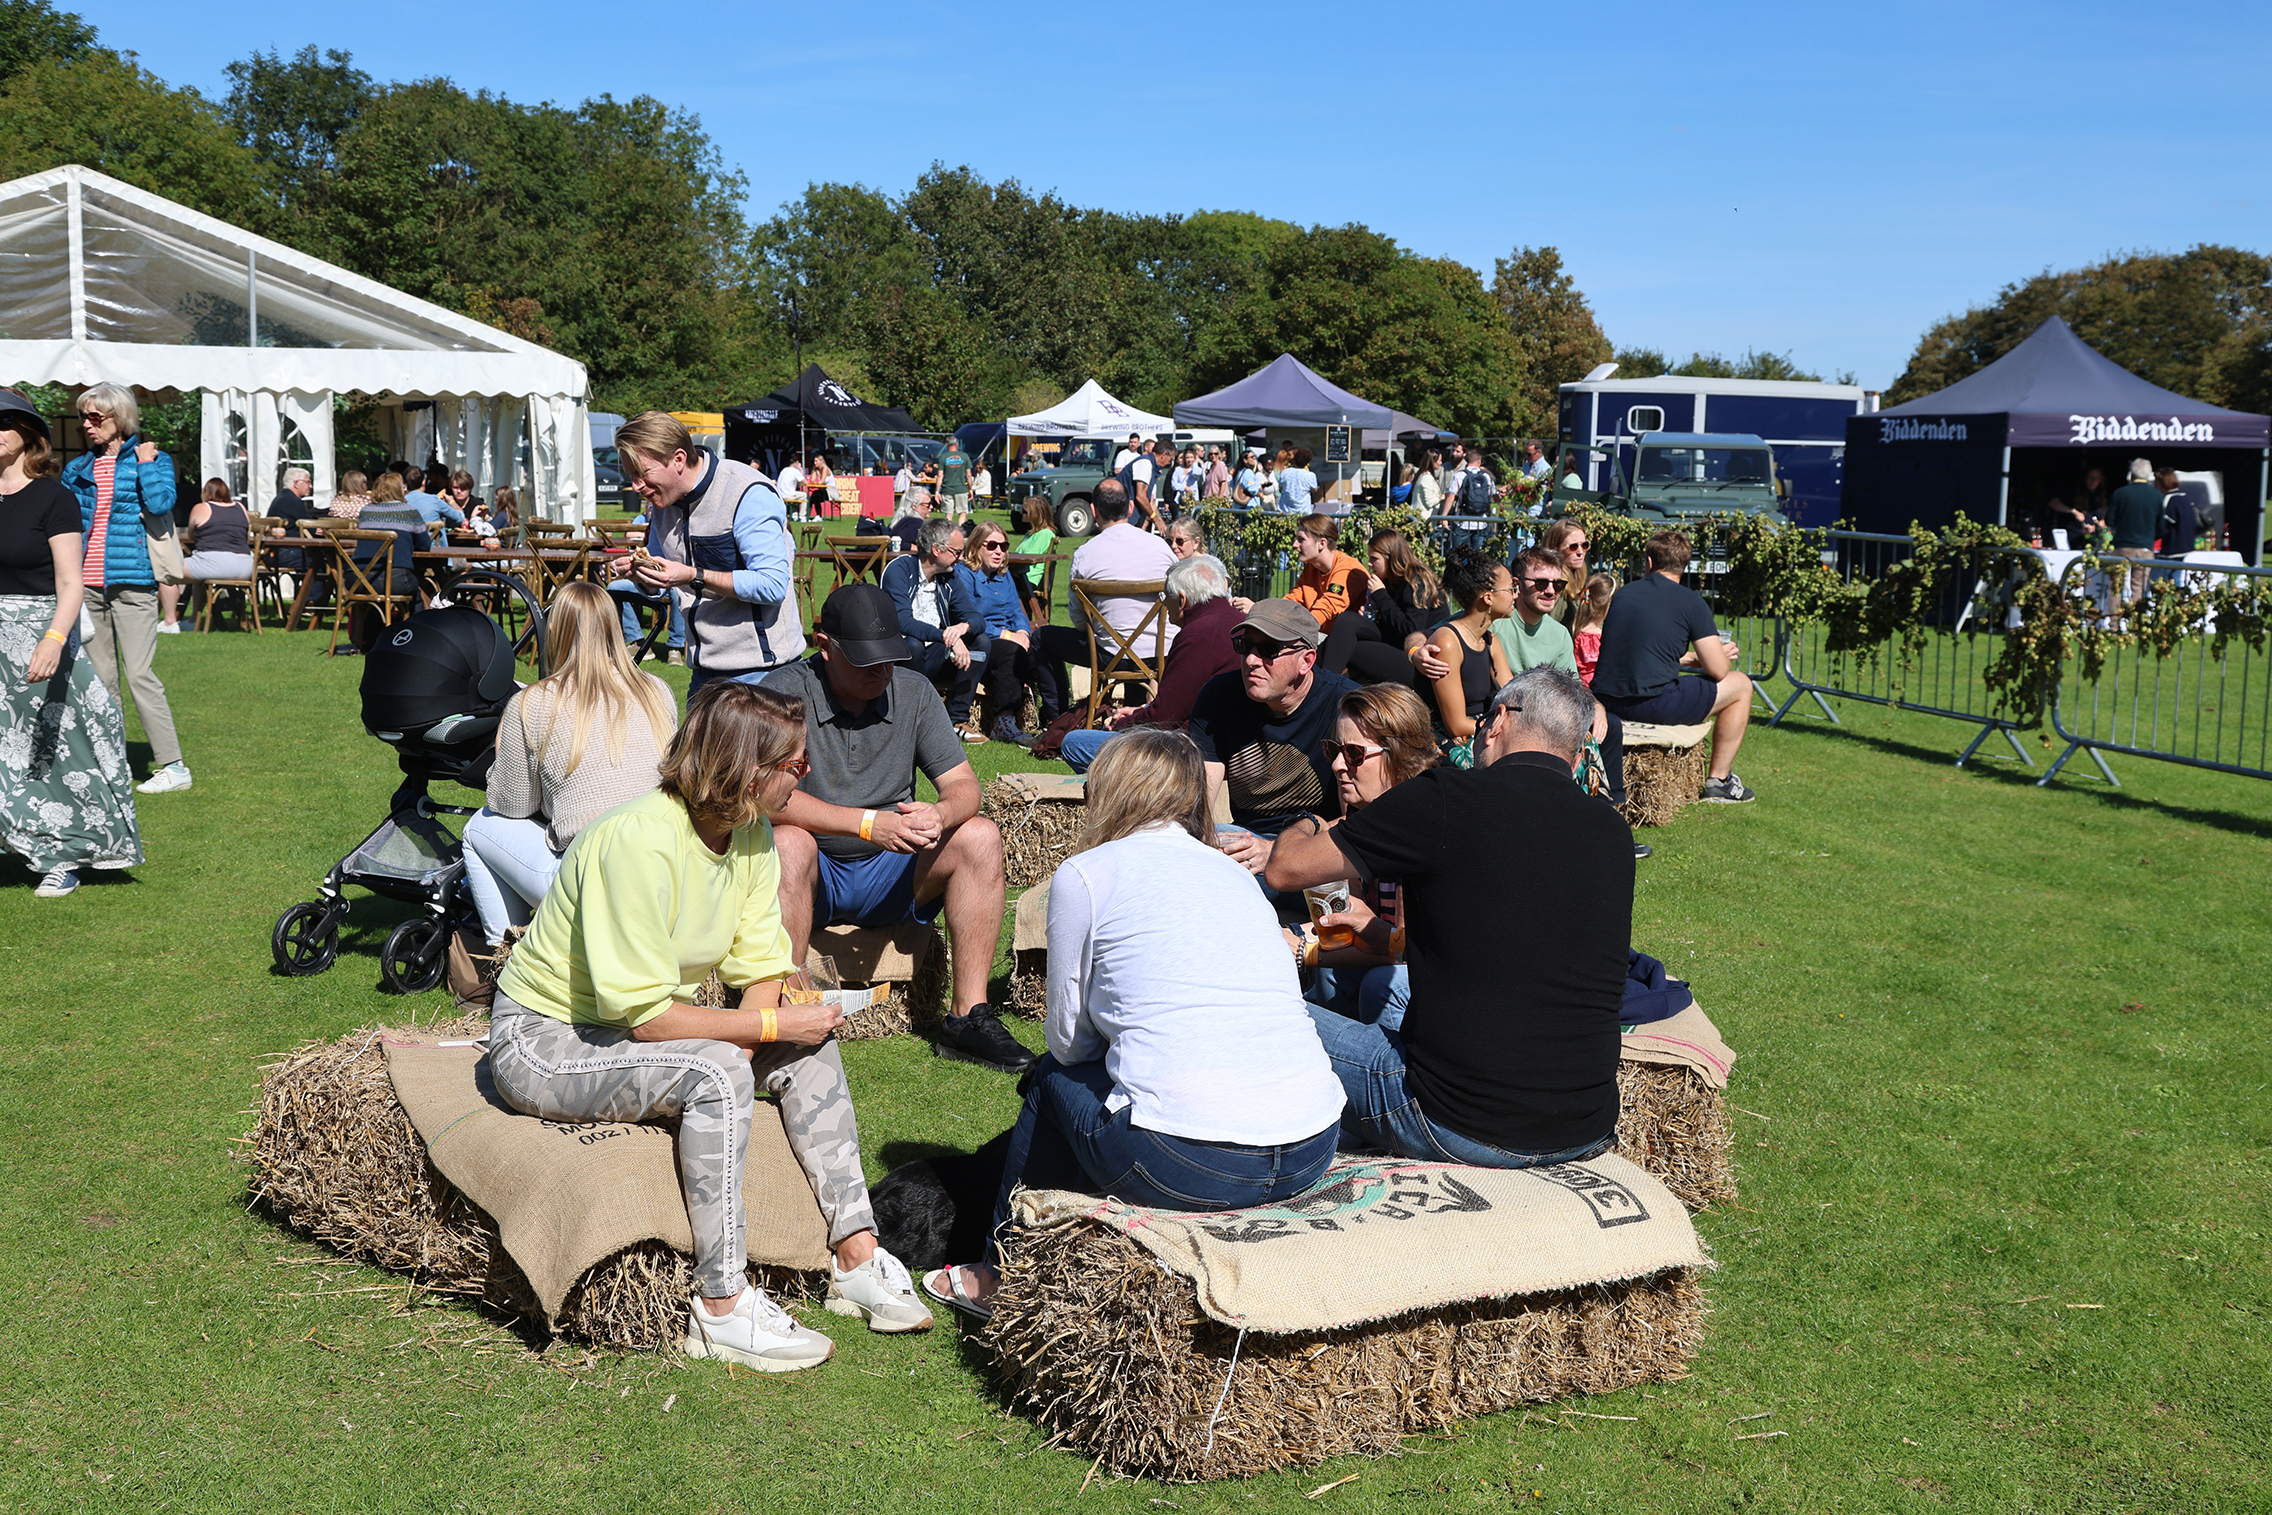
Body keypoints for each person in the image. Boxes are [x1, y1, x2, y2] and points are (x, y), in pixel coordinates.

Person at [490, 681, 932, 1370]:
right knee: (720, 1068)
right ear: (747, 772)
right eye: (795, 762)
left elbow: (758, 965)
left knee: (807, 1045)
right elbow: (647, 1020)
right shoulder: (637, 842)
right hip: (544, 1038)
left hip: (622, 1023)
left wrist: (774, 1026)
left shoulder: (751, 835)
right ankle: (721, 1304)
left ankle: (856, 1253)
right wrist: (760, 1028)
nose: (806, 774)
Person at [921, 728, 1344, 1320]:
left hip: (1194, 1165)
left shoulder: (1086, 874)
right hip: (1312, 1145)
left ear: (1107, 791)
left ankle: (996, 1272)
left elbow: (1067, 1043)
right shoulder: (1233, 875)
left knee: (1050, 1080)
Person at [1264, 667, 1633, 1168]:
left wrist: (1309, 819)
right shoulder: (1612, 832)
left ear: (1498, 721)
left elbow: (1285, 869)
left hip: (1453, 1121)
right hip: (1585, 1125)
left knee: (1246, 1008)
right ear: (1574, 749)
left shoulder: (1445, 799)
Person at [762, 584, 1026, 1072]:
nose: (881, 672)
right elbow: (761, 796)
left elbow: (964, 786)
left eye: (889, 659)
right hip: (811, 870)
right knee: (789, 842)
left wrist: (940, 814)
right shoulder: (780, 692)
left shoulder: (913, 691)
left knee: (980, 835)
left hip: (893, 868)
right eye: (866, 661)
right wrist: (866, 825)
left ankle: (967, 1018)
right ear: (824, 646)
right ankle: (790, 1015)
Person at [461, 581, 678, 945]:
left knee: (478, 828)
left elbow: (511, 804)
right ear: (613, 626)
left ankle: (509, 957)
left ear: (555, 629)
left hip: (595, 881)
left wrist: (502, 751)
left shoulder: (532, 702)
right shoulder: (657, 690)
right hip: (665, 869)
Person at [0, 388, 141, 897]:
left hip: (41, 633)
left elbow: (71, 582)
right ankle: (18, 839)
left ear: (28, 434)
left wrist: (54, 638)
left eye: (3, 422)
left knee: (59, 748)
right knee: (6, 749)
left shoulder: (53, 497)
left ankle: (66, 854)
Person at [616, 412, 803, 700]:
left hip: (763, 676)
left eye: (642, 473)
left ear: (678, 459)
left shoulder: (746, 491)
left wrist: (693, 575)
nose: (636, 486)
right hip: (702, 672)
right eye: (631, 475)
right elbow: (662, 578)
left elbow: (772, 585)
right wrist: (642, 574)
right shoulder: (663, 502)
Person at [63, 384, 191, 796]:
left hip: (133, 582)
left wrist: (146, 463)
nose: (87, 425)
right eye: (83, 417)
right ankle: (110, 763)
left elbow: (160, 504)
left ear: (119, 417)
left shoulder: (153, 459)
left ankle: (173, 766)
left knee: (139, 674)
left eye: (94, 417)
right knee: (101, 680)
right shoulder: (78, 468)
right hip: (87, 585)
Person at [1296, 684, 1437, 1033]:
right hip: (1391, 948)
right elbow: (1350, 920)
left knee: (1380, 984)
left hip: (1438, 972)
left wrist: (1302, 949)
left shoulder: (1421, 824)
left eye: (1354, 754)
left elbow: (1406, 947)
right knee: (1330, 971)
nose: (1337, 765)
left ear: (1399, 755)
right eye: (1334, 750)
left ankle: (1392, 1065)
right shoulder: (1361, 811)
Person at [1187, 599, 1359, 872]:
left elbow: (1365, 820)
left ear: (1306, 661)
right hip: (1246, 840)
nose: (1251, 660)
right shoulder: (1218, 696)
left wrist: (1275, 849)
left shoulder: (1347, 707)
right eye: (1245, 646)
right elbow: (1199, 799)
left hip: (1320, 846)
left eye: (1268, 650)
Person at [1592, 528, 1755, 803]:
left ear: (1649, 562)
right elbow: (1718, 671)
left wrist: (1689, 658)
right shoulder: (1691, 601)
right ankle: (1719, 781)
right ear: (1684, 565)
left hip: (1608, 701)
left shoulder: (1624, 594)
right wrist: (1721, 655)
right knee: (1741, 685)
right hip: (1652, 703)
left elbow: (1641, 651)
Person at [1058, 553, 1241, 773]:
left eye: (1166, 596)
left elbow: (1164, 718)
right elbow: (1180, 702)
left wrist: (1121, 725)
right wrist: (1140, 710)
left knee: (1075, 743)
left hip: (1188, 752)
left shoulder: (1197, 636)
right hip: (1227, 744)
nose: (1164, 603)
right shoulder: (1239, 622)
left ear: (1181, 600)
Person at [1030, 480, 1176, 723]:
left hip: (1108, 654)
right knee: (1132, 646)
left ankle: (1056, 720)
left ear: (1093, 510)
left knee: (1041, 638)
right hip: (1158, 652)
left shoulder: (1086, 553)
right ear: (1131, 507)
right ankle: (1133, 720)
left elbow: (1079, 620)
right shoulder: (1160, 548)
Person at [880, 516, 983, 734]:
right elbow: (902, 622)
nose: (961, 558)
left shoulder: (949, 577)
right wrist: (947, 636)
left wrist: (962, 628)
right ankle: (913, 719)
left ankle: (958, 718)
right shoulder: (899, 570)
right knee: (913, 644)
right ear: (937, 550)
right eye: (957, 552)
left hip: (936, 654)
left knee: (981, 641)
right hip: (901, 657)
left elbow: (976, 618)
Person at [1423, 546, 1513, 766]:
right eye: (1511, 589)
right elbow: (1456, 725)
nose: (1515, 595)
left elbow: (1513, 695)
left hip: (1486, 729)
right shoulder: (1448, 641)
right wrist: (1507, 730)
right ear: (1488, 598)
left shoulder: (1490, 641)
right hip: (1456, 743)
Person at [958, 520, 1041, 745]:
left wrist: (1023, 632)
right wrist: (1008, 636)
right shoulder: (964, 574)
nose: (999, 552)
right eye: (992, 545)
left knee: (1044, 647)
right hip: (979, 640)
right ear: (975, 546)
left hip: (1010, 638)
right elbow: (969, 618)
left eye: (1003, 546)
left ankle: (1056, 716)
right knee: (1011, 652)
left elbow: (1017, 610)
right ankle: (1003, 722)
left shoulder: (1004, 575)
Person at [1491, 545, 1579, 675]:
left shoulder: (1560, 635)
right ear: (1517, 585)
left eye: (1557, 584)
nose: (1550, 591)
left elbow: (1569, 685)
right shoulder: (1493, 624)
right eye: (1541, 583)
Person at [182, 478, 254, 621]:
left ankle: (170, 621)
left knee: (167, 571)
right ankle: (194, 619)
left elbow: (191, 535)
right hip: (245, 567)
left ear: (206, 492)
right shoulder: (241, 507)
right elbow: (245, 534)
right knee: (198, 576)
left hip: (214, 563)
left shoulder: (201, 507)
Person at [1285, 514, 1370, 633]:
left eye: (1301, 539)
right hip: (1323, 634)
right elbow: (1293, 599)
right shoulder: (1311, 567)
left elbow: (1327, 607)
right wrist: (1269, 613)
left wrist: (1298, 631)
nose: (1295, 545)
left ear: (1322, 544)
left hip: (1349, 639)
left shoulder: (1347, 569)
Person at [2106, 459, 2162, 604]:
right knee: (2139, 588)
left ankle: (2113, 618)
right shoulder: (2157, 496)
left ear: (2132, 473)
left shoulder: (2120, 493)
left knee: (2115, 587)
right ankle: (2136, 617)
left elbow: (2109, 520)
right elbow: (2161, 526)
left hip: (2122, 546)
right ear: (2149, 474)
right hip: (2145, 547)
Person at [1537, 520, 1591, 629]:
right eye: (1573, 547)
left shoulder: (1580, 576)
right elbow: (1549, 627)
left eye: (1584, 545)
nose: (1580, 552)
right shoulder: (1554, 585)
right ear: (1555, 549)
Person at [1012, 495, 1056, 627]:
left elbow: (1028, 558)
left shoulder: (1045, 534)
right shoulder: (1031, 534)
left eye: (1025, 511)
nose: (1021, 513)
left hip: (1028, 579)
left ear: (1035, 514)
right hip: (1021, 576)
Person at [1571, 573, 1615, 685]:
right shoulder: (1603, 636)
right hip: (1600, 687)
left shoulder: (1578, 633)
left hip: (1580, 687)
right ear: (1608, 604)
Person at [2156, 467, 2199, 555]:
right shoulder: (2185, 497)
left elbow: (2164, 527)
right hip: (2189, 549)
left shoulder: (2169, 499)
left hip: (2174, 551)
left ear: (2160, 483)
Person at [1278, 448, 1318, 515]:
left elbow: (1280, 487)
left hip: (1285, 510)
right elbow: (1314, 489)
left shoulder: (1285, 472)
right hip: (1304, 511)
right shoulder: (1310, 475)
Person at [1410, 447, 1446, 516]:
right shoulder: (1426, 478)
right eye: (1440, 460)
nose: (1441, 463)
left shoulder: (1422, 475)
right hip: (1424, 518)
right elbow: (1429, 503)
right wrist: (1442, 497)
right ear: (1433, 461)